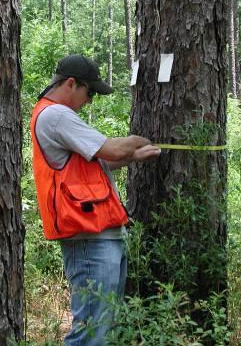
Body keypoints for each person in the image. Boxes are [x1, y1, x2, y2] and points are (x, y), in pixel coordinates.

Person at [30, 54, 161, 346]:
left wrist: (132, 155)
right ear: (71, 83)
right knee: (91, 331)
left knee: (103, 326)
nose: (89, 101)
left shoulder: (56, 116)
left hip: (101, 233)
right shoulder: (56, 115)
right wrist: (137, 141)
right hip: (89, 237)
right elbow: (110, 149)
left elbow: (97, 162)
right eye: (89, 93)